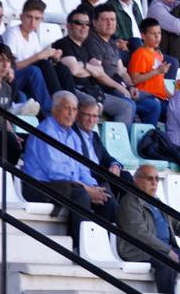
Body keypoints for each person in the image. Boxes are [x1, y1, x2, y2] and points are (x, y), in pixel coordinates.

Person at [22, 91, 114, 247]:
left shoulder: (73, 135)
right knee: (80, 194)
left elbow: (83, 168)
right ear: (55, 110)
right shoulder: (46, 132)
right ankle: (80, 247)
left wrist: (93, 187)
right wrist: (86, 189)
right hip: (37, 186)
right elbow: (57, 172)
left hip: (64, 184)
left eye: (74, 109)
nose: (71, 113)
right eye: (67, 108)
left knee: (106, 197)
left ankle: (102, 247)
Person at [116, 165, 180, 294]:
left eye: (156, 179)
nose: (154, 182)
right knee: (167, 262)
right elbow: (140, 234)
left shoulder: (157, 201)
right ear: (136, 180)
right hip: (140, 250)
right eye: (150, 179)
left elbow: (178, 224)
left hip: (165, 249)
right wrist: (167, 251)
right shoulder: (130, 202)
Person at [51, 8, 136, 128]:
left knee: (126, 106)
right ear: (68, 26)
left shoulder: (85, 47)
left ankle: (118, 144)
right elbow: (74, 70)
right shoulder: (63, 44)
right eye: (79, 23)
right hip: (74, 90)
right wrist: (89, 68)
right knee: (91, 103)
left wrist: (84, 66)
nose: (84, 27)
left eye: (87, 24)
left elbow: (99, 72)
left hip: (93, 89)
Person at [84, 5, 162, 126]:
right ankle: (125, 142)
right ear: (95, 22)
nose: (110, 23)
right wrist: (121, 88)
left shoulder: (112, 42)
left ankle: (147, 141)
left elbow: (121, 71)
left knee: (154, 105)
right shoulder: (92, 41)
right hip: (104, 89)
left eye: (113, 19)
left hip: (119, 87)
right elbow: (99, 75)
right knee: (128, 105)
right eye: (105, 20)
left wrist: (130, 86)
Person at [0, 44, 24, 164]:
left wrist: (12, 133)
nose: (5, 65)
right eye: (0, 60)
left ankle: (8, 180)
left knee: (16, 144)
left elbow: (4, 117)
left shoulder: (7, 88)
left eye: (8, 61)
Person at [128, 18, 171, 117]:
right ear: (143, 36)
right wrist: (157, 71)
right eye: (153, 34)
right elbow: (135, 79)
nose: (157, 37)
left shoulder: (158, 55)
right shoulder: (140, 53)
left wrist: (173, 97)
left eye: (159, 33)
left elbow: (160, 82)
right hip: (147, 97)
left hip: (161, 97)